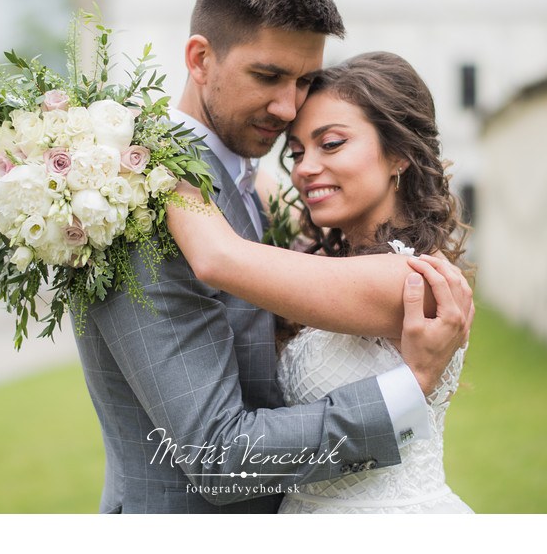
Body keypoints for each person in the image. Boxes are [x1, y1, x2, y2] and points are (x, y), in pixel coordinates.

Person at [70, 0, 472, 513]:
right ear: (200, 59)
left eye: (304, 81)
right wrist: (403, 394)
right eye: (268, 75)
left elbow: (224, 262)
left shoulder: (409, 278)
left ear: (399, 155)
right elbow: (215, 450)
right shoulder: (137, 192)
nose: (287, 109)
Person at [168, 51, 474, 513]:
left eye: (330, 144)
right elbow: (250, 185)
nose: (305, 168)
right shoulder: (330, 256)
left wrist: (149, 150)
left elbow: (216, 257)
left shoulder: (411, 283)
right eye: (296, 152)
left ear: (400, 154)